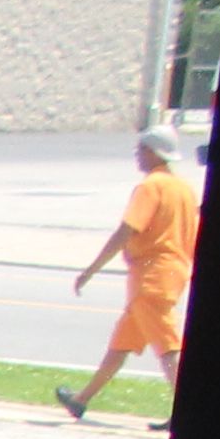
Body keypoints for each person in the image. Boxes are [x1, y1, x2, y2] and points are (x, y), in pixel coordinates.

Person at [62, 127, 204, 422]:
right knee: (122, 343)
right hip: (173, 273)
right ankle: (81, 400)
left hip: (150, 277)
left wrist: (91, 270)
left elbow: (127, 230)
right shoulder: (185, 189)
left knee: (168, 347)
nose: (137, 156)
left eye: (140, 150)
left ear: (154, 152)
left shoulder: (151, 187)